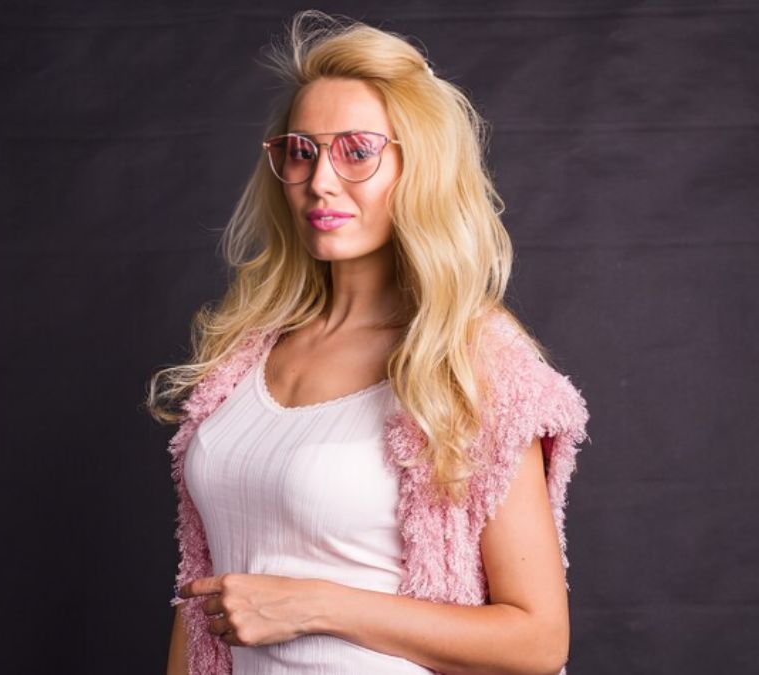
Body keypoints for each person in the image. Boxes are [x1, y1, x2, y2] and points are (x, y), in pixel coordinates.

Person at [146, 10, 591, 675]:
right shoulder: (239, 357)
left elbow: (537, 641)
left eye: (357, 150)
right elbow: (203, 594)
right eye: (302, 150)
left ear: (421, 168)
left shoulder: (471, 367)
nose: (321, 180)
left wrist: (316, 604)